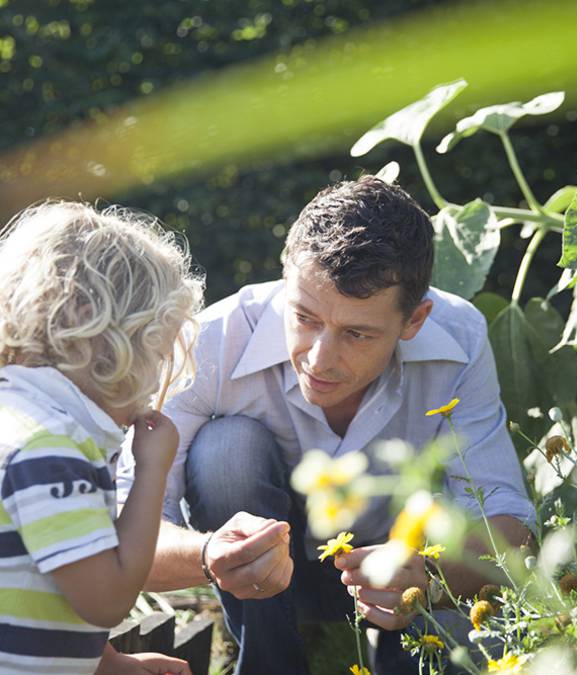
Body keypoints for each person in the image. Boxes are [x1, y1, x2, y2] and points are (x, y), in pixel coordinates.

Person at [117, 176, 536, 674]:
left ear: (415, 321)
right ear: (285, 280)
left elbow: (509, 521)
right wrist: (209, 553)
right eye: (305, 317)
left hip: (406, 573)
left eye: (357, 333)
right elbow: (125, 530)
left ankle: (404, 648)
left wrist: (431, 575)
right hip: (260, 584)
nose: (319, 358)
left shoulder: (460, 337)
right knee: (227, 447)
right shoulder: (213, 339)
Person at [0, 201, 204, 674]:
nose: (156, 379)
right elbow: (107, 598)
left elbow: (43, 580)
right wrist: (154, 469)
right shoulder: (50, 449)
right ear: (94, 334)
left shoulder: (20, 418)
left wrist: (111, 664)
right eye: (155, 353)